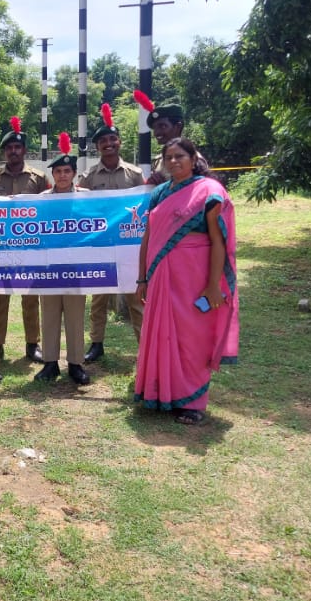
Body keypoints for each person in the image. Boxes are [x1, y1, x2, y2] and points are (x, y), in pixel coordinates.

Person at [134, 137, 239, 425]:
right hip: (160, 275)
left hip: (194, 275)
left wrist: (212, 285)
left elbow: (218, 242)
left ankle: (192, 402)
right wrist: (143, 277)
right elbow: (148, 236)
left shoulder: (209, 192)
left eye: (180, 156)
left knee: (192, 336)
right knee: (159, 332)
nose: (173, 162)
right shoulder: (159, 194)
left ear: (193, 159)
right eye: (168, 157)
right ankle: (158, 393)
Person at [76, 105, 147, 362]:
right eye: (102, 141)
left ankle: (144, 347)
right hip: (102, 246)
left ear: (119, 142)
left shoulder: (135, 174)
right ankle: (96, 343)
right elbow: (77, 208)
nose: (108, 144)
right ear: (97, 147)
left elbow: (145, 205)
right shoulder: (89, 177)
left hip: (129, 246)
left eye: (112, 139)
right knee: (99, 299)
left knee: (135, 298)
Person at [0, 116, 49, 363]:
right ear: (4, 151)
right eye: (9, 148)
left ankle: (33, 344)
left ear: (24, 150)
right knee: (0, 297)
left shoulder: (39, 178)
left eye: (17, 147)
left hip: (29, 247)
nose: (13, 151)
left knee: (31, 296)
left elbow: (50, 208)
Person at [34, 134, 91, 386]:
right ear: (53, 174)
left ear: (74, 173)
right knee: (49, 313)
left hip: (77, 265)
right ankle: (50, 363)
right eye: (58, 171)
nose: (63, 175)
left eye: (67, 171)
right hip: (49, 265)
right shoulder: (43, 199)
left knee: (75, 314)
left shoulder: (88, 198)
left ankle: (76, 364)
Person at [133, 91, 208, 185]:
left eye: (162, 126)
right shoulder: (159, 160)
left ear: (178, 126)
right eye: (155, 128)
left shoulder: (194, 159)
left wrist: (166, 185)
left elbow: (200, 191)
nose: (157, 133)